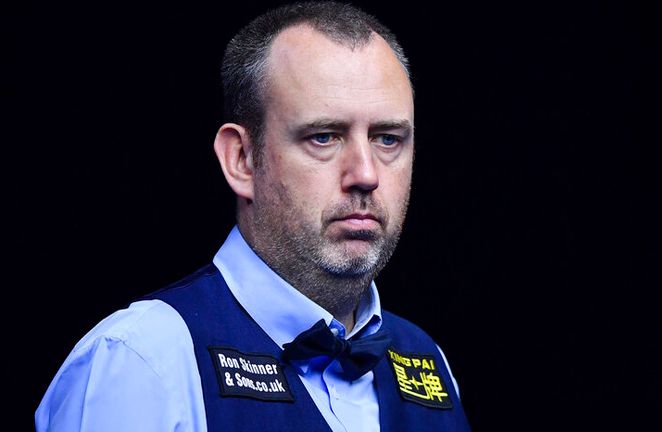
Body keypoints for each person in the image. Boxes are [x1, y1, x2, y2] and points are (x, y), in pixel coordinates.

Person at [35, 2, 471, 431]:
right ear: (242, 159)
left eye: (388, 139)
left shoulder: (428, 364)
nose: (366, 174)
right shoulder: (143, 362)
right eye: (323, 137)